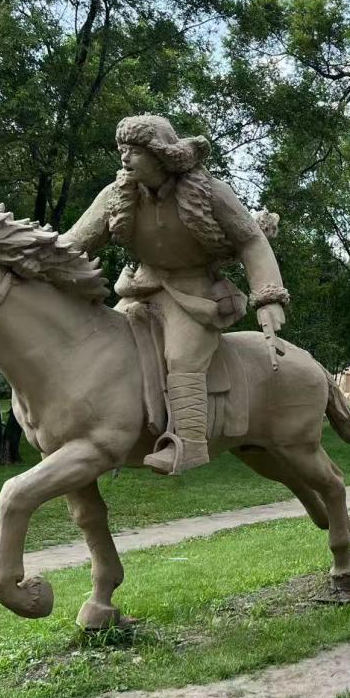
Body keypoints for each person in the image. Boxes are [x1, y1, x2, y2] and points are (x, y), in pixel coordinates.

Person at [66, 115, 290, 475]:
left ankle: (189, 445)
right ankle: (104, 433)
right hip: (140, 291)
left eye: (135, 151)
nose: (124, 158)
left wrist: (268, 298)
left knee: (182, 357)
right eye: (122, 150)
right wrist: (19, 258)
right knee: (103, 350)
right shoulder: (115, 196)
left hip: (195, 296)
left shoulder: (210, 192)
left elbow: (251, 240)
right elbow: (72, 245)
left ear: (161, 156)